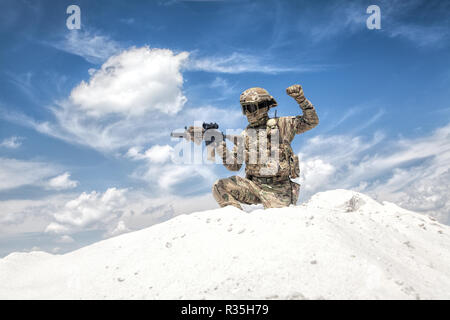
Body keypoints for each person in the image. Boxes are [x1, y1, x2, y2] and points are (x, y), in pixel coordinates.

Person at [189, 85, 319, 210]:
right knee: (220, 186)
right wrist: (217, 144)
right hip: (254, 186)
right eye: (244, 109)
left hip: (279, 189)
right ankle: (236, 222)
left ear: (263, 107)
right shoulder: (245, 135)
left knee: (277, 222)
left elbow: (311, 121)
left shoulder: (283, 125)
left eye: (250, 108)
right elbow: (234, 166)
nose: (247, 114)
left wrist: (301, 99)